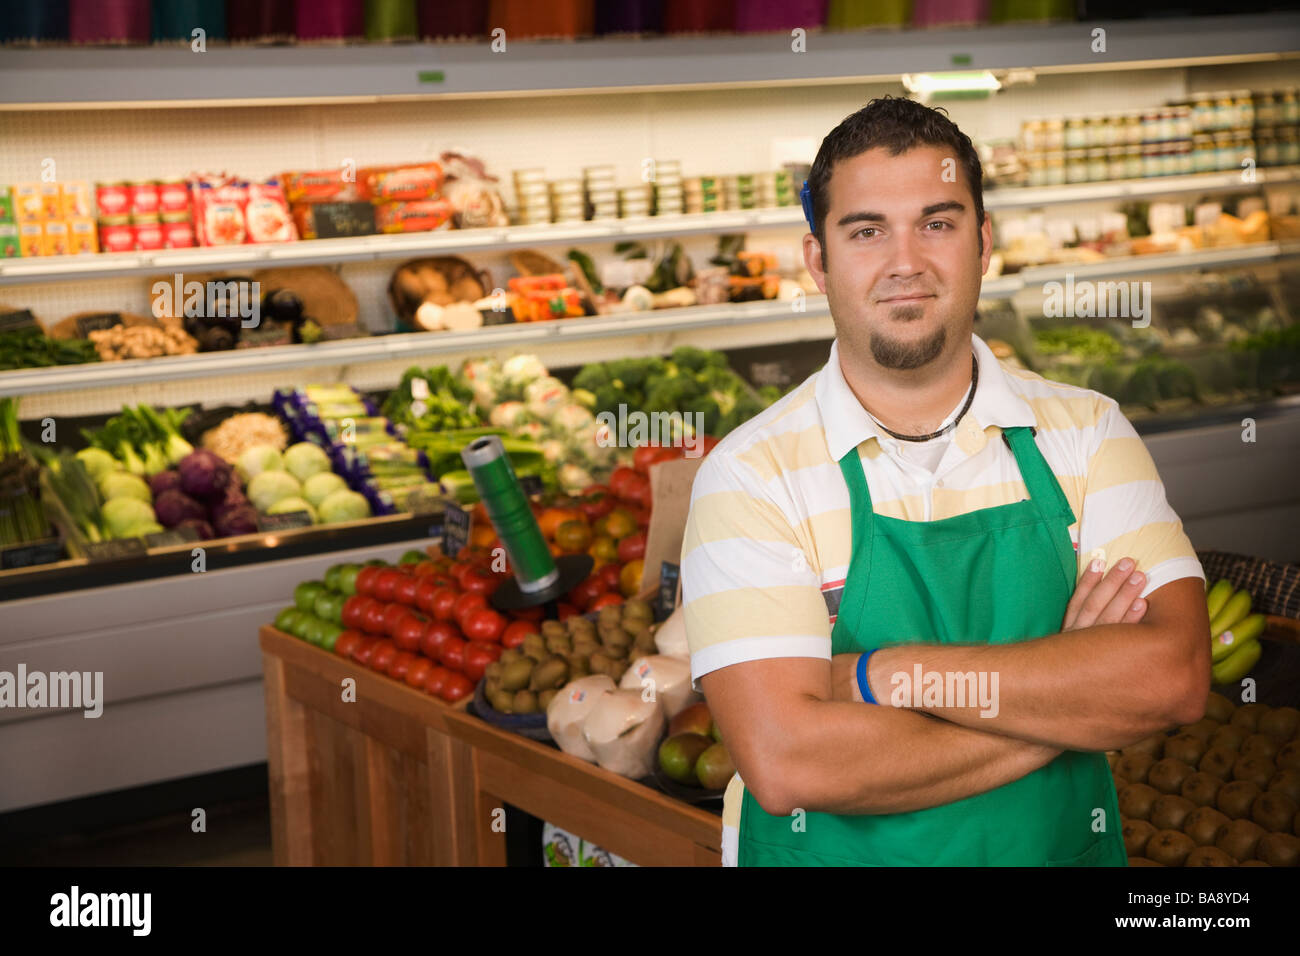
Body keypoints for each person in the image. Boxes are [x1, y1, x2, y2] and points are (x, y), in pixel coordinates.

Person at [681, 97, 1210, 867]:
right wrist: (1071, 695)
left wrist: (885, 674)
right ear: (817, 261)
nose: (906, 262)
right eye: (866, 231)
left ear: (983, 243)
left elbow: (1171, 679)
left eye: (938, 223)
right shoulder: (751, 476)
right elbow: (790, 760)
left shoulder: (1088, 433)